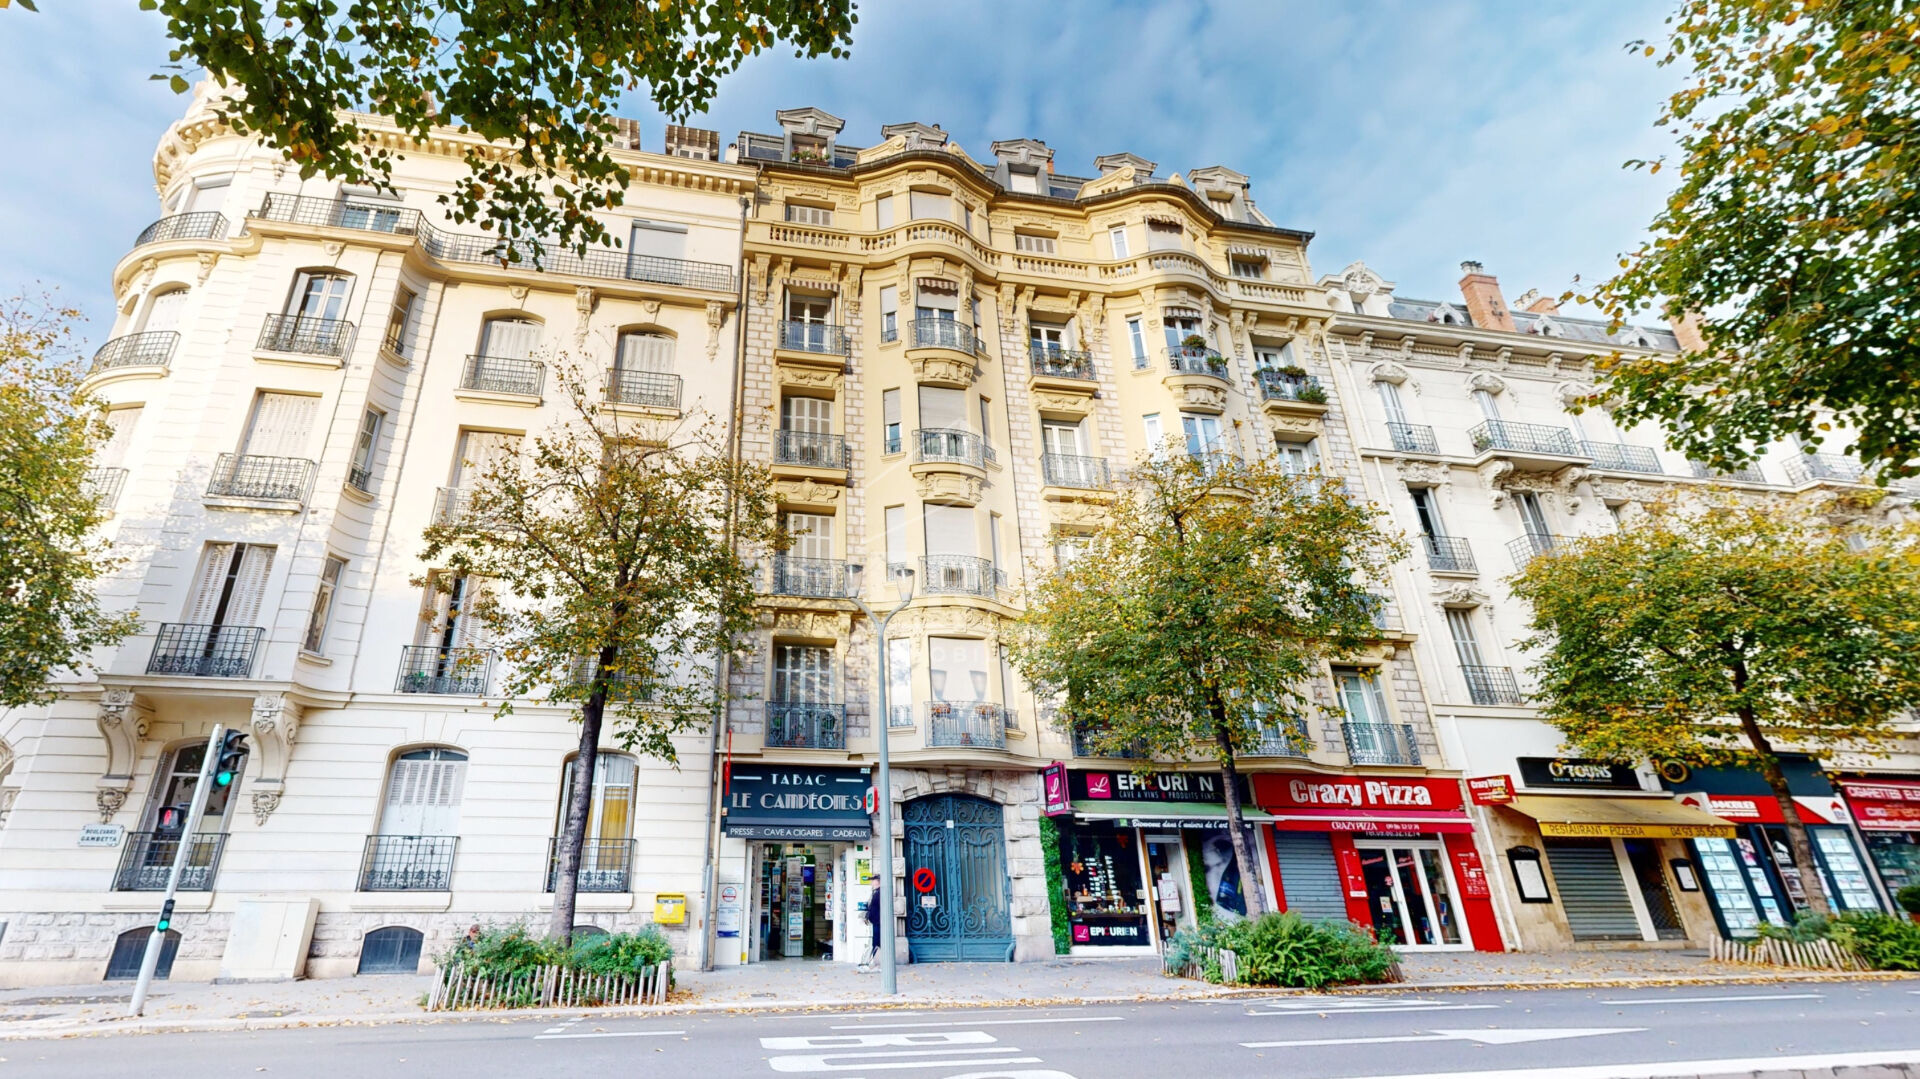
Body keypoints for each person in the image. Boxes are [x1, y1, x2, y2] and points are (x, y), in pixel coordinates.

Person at [858, 882, 882, 971]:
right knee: (874, 943)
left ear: (878, 882)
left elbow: (874, 909)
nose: (871, 883)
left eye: (873, 881)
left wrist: (868, 917)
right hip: (875, 922)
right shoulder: (876, 893)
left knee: (874, 943)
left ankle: (867, 963)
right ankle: (868, 963)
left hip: (877, 922)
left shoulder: (879, 893)